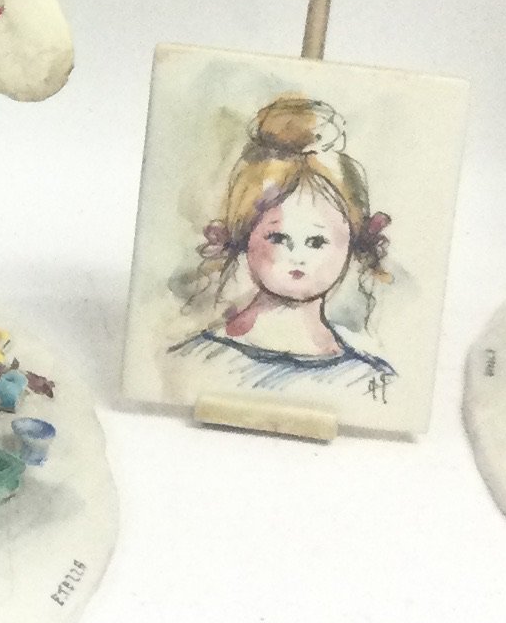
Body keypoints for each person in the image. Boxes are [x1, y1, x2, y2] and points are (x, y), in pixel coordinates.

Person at [169, 96, 395, 403]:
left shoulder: (369, 380)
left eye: (317, 242)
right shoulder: (196, 362)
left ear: (353, 241)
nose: (297, 256)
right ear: (244, 236)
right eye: (277, 238)